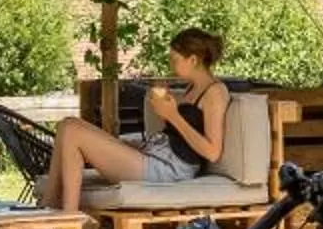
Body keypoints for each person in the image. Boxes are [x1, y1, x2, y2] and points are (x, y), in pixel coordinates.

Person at [48, 28, 229, 212]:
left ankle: (68, 218)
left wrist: (173, 116)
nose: (171, 65)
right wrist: (163, 112)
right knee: (67, 125)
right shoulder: (192, 88)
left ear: (193, 60)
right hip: (155, 154)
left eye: (175, 60)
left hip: (169, 169)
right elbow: (179, 132)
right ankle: (48, 207)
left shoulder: (215, 92)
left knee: (72, 130)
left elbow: (212, 152)